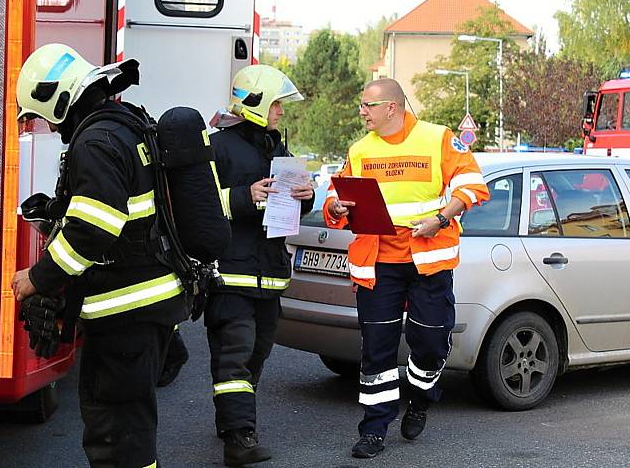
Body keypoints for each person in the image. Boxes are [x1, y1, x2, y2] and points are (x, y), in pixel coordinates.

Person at [12, 43, 189, 467]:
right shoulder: (126, 126)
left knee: (117, 438)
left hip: (125, 315)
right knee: (130, 431)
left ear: (58, 99)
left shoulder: (95, 141)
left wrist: (38, 277)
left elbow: (94, 229)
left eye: (45, 117)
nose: (52, 128)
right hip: (146, 306)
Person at [324, 78, 489, 459]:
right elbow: (338, 192)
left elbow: (471, 184)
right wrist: (334, 207)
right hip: (378, 262)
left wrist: (442, 218)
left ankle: (420, 396)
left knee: (431, 343)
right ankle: (374, 430)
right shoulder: (361, 149)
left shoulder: (437, 138)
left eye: (368, 105)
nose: (362, 111)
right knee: (376, 352)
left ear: (392, 108)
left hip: (427, 260)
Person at [206, 64, 314, 467]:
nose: (281, 113)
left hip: (269, 275)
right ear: (255, 104)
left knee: (257, 354)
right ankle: (239, 438)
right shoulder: (216, 147)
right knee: (235, 354)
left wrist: (306, 197)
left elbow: (290, 206)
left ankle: (231, 417)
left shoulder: (277, 150)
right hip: (229, 274)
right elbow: (194, 205)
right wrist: (242, 196)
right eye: (276, 105)